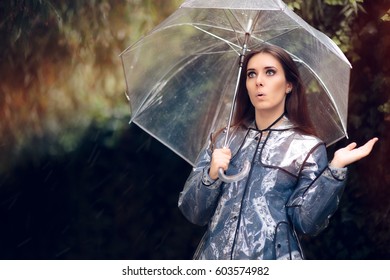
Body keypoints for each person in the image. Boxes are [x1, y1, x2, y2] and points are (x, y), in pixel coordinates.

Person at [178, 44, 378, 260]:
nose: (258, 81)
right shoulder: (223, 139)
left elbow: (306, 222)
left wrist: (334, 170)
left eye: (270, 72)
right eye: (251, 74)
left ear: (289, 85)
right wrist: (211, 174)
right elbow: (193, 212)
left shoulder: (306, 147)